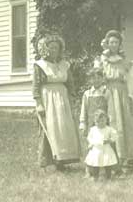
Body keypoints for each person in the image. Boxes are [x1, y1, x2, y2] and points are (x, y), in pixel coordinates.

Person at [32, 34, 80, 170]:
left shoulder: (64, 65)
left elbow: (70, 84)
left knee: (63, 127)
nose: (54, 50)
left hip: (63, 98)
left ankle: (62, 161)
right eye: (51, 48)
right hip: (47, 98)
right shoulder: (40, 65)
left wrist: (72, 99)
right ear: (45, 49)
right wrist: (39, 103)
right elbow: (35, 86)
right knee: (51, 127)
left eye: (57, 48)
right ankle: (47, 161)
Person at [94, 29, 133, 169]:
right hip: (108, 92)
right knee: (111, 121)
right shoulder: (102, 59)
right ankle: (111, 157)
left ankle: (126, 157)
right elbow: (97, 76)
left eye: (116, 42)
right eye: (111, 42)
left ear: (119, 44)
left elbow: (130, 79)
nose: (113, 45)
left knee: (123, 122)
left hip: (122, 92)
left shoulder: (124, 60)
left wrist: (130, 94)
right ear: (107, 44)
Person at [85, 109, 119, 181]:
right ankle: (95, 177)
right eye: (98, 121)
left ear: (106, 120)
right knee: (95, 163)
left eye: (102, 121)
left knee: (107, 163)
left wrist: (110, 140)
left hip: (106, 149)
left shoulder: (109, 129)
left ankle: (108, 176)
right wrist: (91, 144)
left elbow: (115, 135)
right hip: (96, 149)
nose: (100, 123)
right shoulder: (93, 129)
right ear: (95, 121)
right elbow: (89, 137)